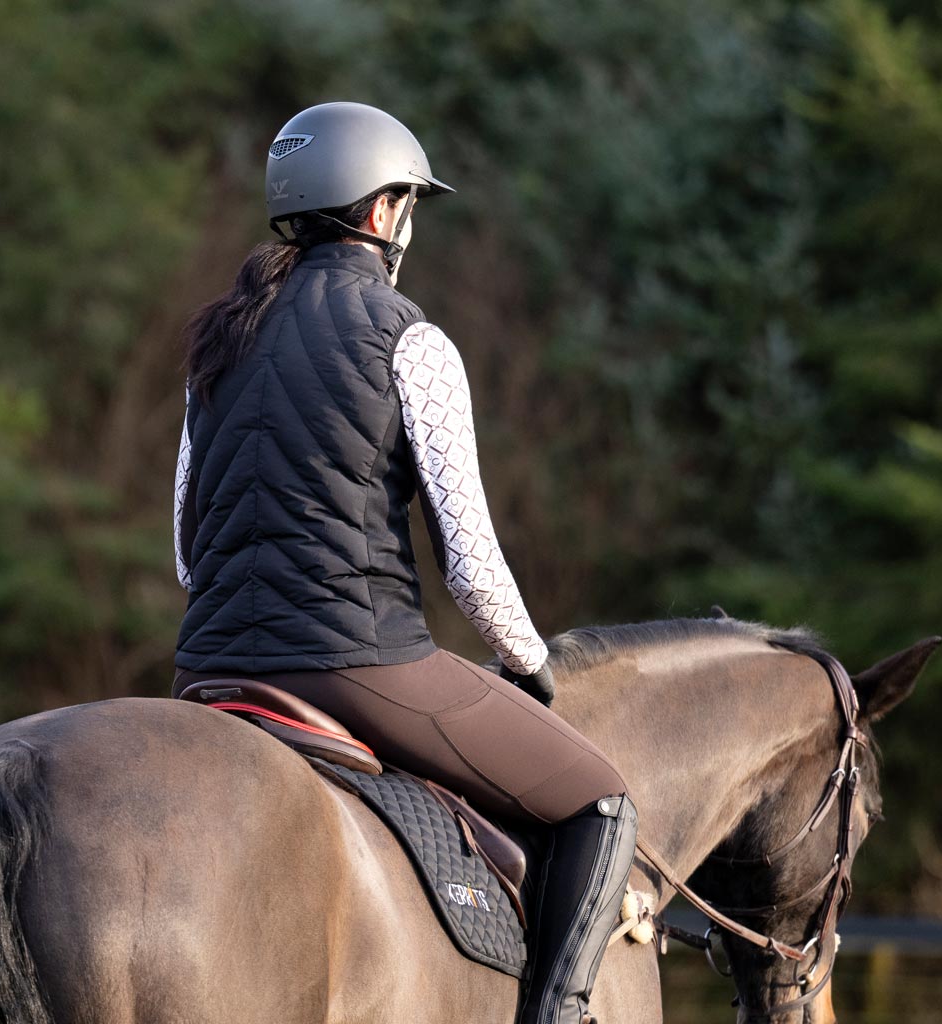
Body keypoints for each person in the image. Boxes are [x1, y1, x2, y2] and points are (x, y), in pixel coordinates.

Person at [172, 103, 636, 1024]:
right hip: (360, 663)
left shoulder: (216, 345)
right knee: (602, 803)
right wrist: (532, 665)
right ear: (384, 211)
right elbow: (468, 561)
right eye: (411, 205)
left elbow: (187, 554)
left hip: (207, 668)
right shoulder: (410, 340)